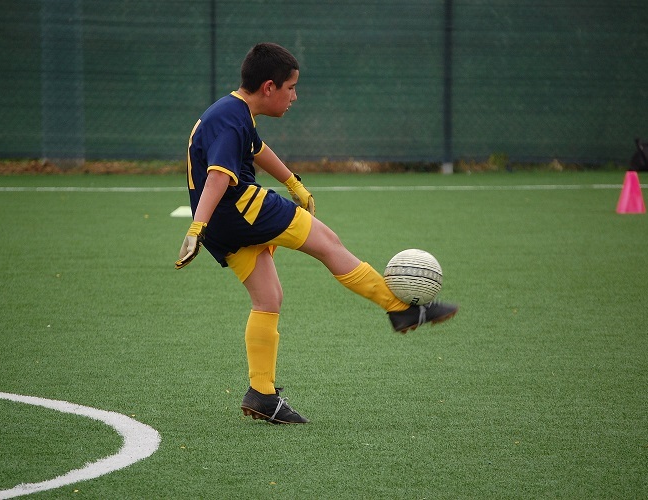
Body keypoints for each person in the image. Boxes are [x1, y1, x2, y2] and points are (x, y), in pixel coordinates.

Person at [176, 42, 458, 424]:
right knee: (329, 244)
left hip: (224, 226)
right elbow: (217, 177)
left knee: (268, 298)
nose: (295, 96)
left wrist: (292, 182)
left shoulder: (233, 111)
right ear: (269, 87)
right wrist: (196, 226)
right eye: (291, 87)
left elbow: (256, 149)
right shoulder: (231, 118)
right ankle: (400, 309)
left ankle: (261, 394)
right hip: (242, 209)